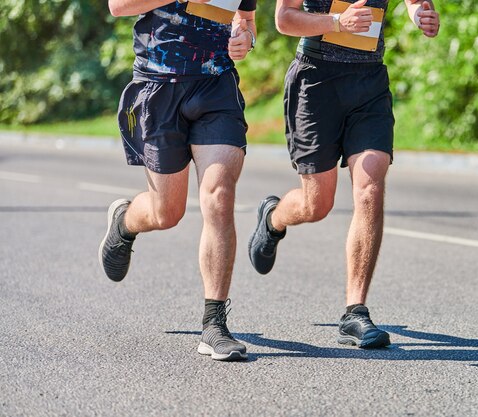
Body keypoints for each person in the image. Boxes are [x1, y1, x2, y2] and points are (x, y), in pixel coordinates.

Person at [248, 0, 439, 348]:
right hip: (315, 81)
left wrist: (419, 15)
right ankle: (273, 218)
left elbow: (414, 2)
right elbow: (284, 19)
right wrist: (337, 21)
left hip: (369, 83)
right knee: (316, 204)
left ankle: (355, 311)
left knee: (370, 186)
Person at [99, 0, 257, 361]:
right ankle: (125, 222)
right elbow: (118, 6)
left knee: (219, 195)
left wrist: (245, 37)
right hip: (158, 88)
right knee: (166, 212)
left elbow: (246, 18)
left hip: (216, 87)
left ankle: (214, 323)